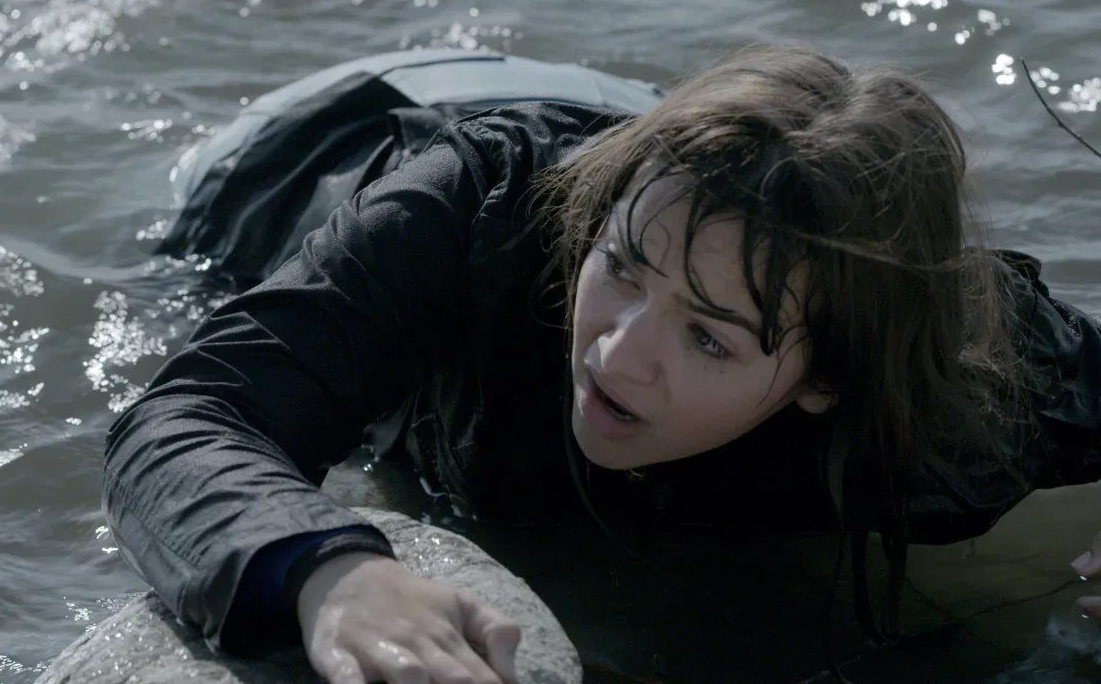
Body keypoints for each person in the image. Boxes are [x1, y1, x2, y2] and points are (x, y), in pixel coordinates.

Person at [102, 45, 1101, 684]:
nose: (616, 354)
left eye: (708, 337)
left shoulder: (967, 391)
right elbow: (188, 416)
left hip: (693, 189)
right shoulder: (471, 220)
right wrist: (330, 569)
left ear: (825, 380)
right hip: (305, 153)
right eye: (617, 276)